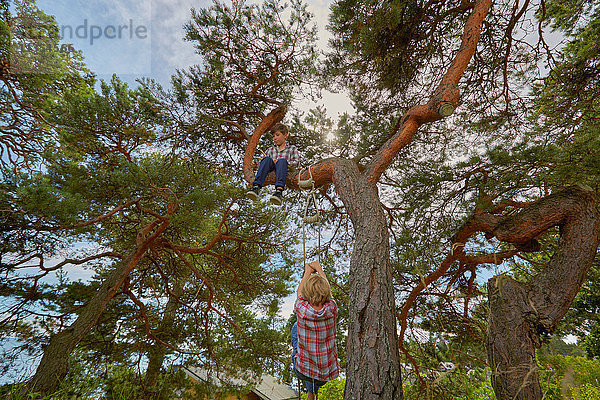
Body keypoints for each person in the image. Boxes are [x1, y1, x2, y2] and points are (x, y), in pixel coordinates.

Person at [291, 260, 339, 400]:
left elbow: (299, 292)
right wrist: (319, 269)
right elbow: (329, 294)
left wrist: (307, 272)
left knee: (295, 328)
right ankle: (312, 393)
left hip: (302, 371)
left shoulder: (302, 309)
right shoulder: (332, 309)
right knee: (314, 366)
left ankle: (311, 390)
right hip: (326, 374)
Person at [246, 123, 299, 206]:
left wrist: (283, 162)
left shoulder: (292, 148)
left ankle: (279, 191)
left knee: (282, 161)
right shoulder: (270, 150)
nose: (275, 138)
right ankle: (256, 187)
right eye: (273, 136)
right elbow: (263, 163)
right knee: (266, 159)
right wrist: (256, 165)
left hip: (283, 167)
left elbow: (296, 162)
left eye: (277, 135)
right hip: (271, 168)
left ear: (285, 135)